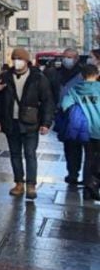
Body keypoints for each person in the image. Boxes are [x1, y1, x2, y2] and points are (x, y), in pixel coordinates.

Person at [0, 48, 54, 199]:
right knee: (15, 154)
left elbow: (47, 101)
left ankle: (31, 185)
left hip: (31, 122)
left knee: (30, 154)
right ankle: (18, 183)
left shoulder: (38, 77)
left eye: (20, 59)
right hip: (10, 122)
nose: (16, 62)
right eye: (14, 59)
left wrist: (46, 122)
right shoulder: (5, 76)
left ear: (27, 61)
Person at [45, 47, 88, 186]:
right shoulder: (56, 73)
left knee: (85, 146)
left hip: (81, 114)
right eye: (65, 56)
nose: (67, 60)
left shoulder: (83, 73)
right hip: (63, 114)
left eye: (70, 57)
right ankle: (72, 173)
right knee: (69, 146)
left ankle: (88, 176)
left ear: (76, 59)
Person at [59, 63, 100, 200]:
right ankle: (94, 184)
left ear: (82, 76)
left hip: (85, 130)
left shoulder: (75, 89)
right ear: (97, 75)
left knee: (88, 158)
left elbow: (65, 105)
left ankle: (88, 187)